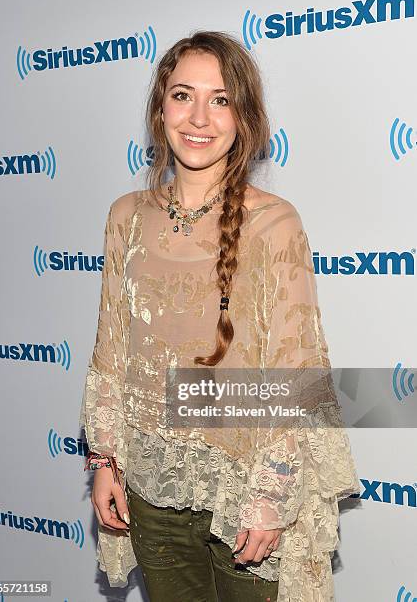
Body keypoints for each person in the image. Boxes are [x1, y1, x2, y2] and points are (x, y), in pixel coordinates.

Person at [79, 30, 360, 602]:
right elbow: (111, 347)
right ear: (160, 109)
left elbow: (297, 371)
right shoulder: (126, 217)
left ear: (243, 117)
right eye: (183, 95)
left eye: (221, 99)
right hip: (150, 486)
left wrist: (271, 494)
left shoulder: (274, 222)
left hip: (244, 493)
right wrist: (106, 460)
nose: (199, 117)